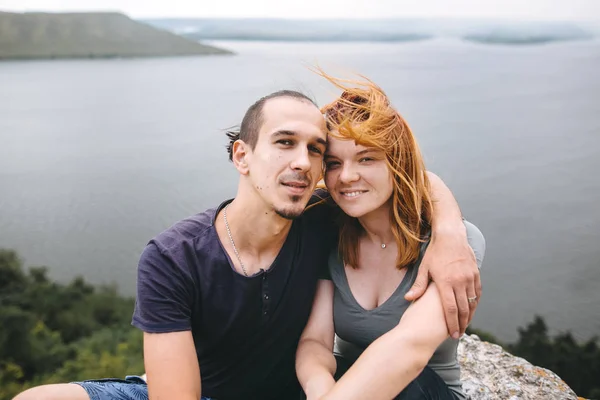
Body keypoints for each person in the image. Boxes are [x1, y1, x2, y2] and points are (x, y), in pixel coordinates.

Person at [14, 88, 480, 400]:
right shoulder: (174, 256)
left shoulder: (322, 219)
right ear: (243, 154)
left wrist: (451, 232)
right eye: (284, 142)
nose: (303, 163)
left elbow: (404, 176)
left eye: (315, 150)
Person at [295, 76, 486, 400]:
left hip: (422, 391)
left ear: (396, 162)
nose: (346, 176)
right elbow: (315, 341)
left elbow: (409, 348)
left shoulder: (454, 242)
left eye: (366, 158)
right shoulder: (329, 229)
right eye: (333, 163)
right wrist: (320, 390)